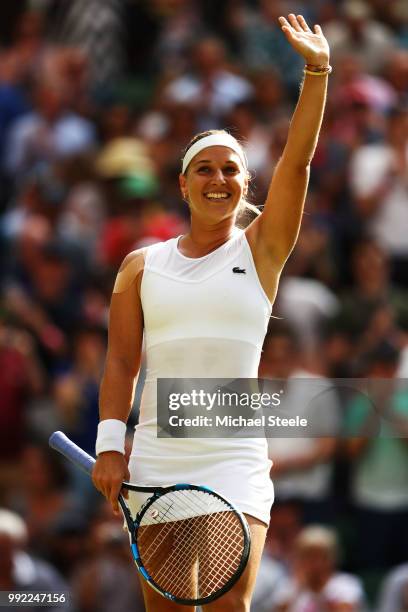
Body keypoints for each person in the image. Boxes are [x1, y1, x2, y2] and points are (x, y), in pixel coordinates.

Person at [92, 13, 331, 612]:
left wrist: (317, 71)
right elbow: (121, 362)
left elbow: (297, 165)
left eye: (231, 170)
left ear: (245, 185)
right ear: (183, 184)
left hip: (234, 456)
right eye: (206, 168)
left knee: (229, 607)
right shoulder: (140, 265)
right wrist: (110, 447)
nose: (218, 178)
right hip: (156, 457)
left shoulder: (262, 250)